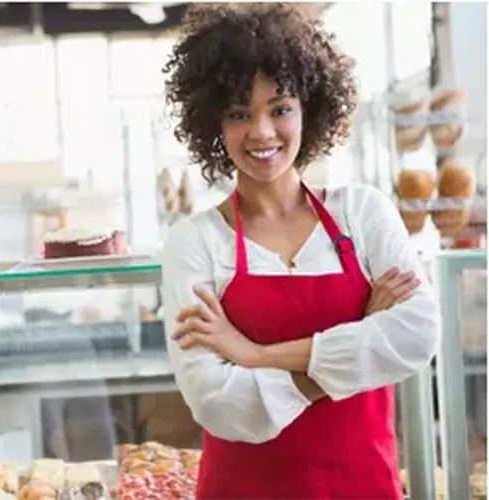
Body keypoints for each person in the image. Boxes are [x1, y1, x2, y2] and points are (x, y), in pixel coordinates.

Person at [160, 5, 440, 500]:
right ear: (214, 124)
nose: (262, 132)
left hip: (363, 487)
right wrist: (356, 345)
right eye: (239, 113)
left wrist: (255, 356)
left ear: (310, 110)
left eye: (280, 108)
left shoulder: (364, 213)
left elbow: (416, 336)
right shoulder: (195, 242)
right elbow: (218, 403)